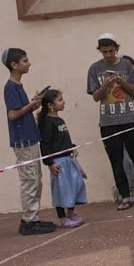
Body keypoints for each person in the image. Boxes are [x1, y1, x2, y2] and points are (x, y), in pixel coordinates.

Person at [87, 34, 134, 210]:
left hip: (130, 118)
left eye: (111, 51)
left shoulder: (126, 65)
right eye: (104, 52)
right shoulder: (94, 69)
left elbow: (133, 91)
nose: (108, 55)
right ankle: (124, 196)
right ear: (99, 51)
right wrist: (106, 85)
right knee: (116, 160)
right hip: (108, 122)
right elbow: (95, 97)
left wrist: (121, 81)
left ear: (117, 48)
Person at [3, 48, 54, 235]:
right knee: (30, 180)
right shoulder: (11, 87)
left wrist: (32, 104)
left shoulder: (18, 86)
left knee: (35, 180)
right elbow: (13, 114)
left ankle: (33, 217)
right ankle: (29, 220)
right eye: (25, 61)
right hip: (23, 140)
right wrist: (31, 105)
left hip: (30, 138)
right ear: (14, 65)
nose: (28, 63)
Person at [37, 88, 87, 229]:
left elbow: (61, 139)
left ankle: (71, 213)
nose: (63, 102)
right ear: (50, 105)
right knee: (62, 189)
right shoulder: (47, 123)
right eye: (59, 100)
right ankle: (62, 217)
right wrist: (50, 163)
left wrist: (72, 146)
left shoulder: (59, 120)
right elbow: (46, 144)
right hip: (58, 161)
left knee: (76, 185)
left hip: (68, 159)